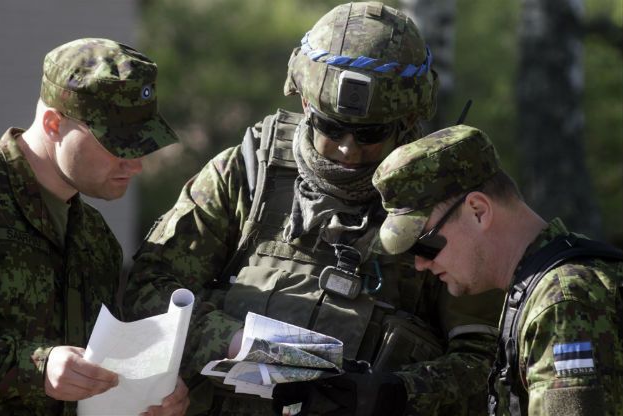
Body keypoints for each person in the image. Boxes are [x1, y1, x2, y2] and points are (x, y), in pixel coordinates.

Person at [125, 3, 503, 415]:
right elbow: (149, 291)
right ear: (306, 103)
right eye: (330, 126)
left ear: (407, 120)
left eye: (370, 133)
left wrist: (396, 391)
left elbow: (485, 358)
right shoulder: (247, 173)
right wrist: (233, 341)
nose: (347, 148)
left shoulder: (440, 202)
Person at [372, 124, 623, 415]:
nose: (420, 263)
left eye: (425, 246)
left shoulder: (562, 302)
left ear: (478, 211)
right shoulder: (540, 289)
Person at [0, 38, 190, 416]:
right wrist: (35, 367)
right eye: (116, 145)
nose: (134, 165)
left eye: (141, 146)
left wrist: (149, 393)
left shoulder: (96, 239)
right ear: (53, 123)